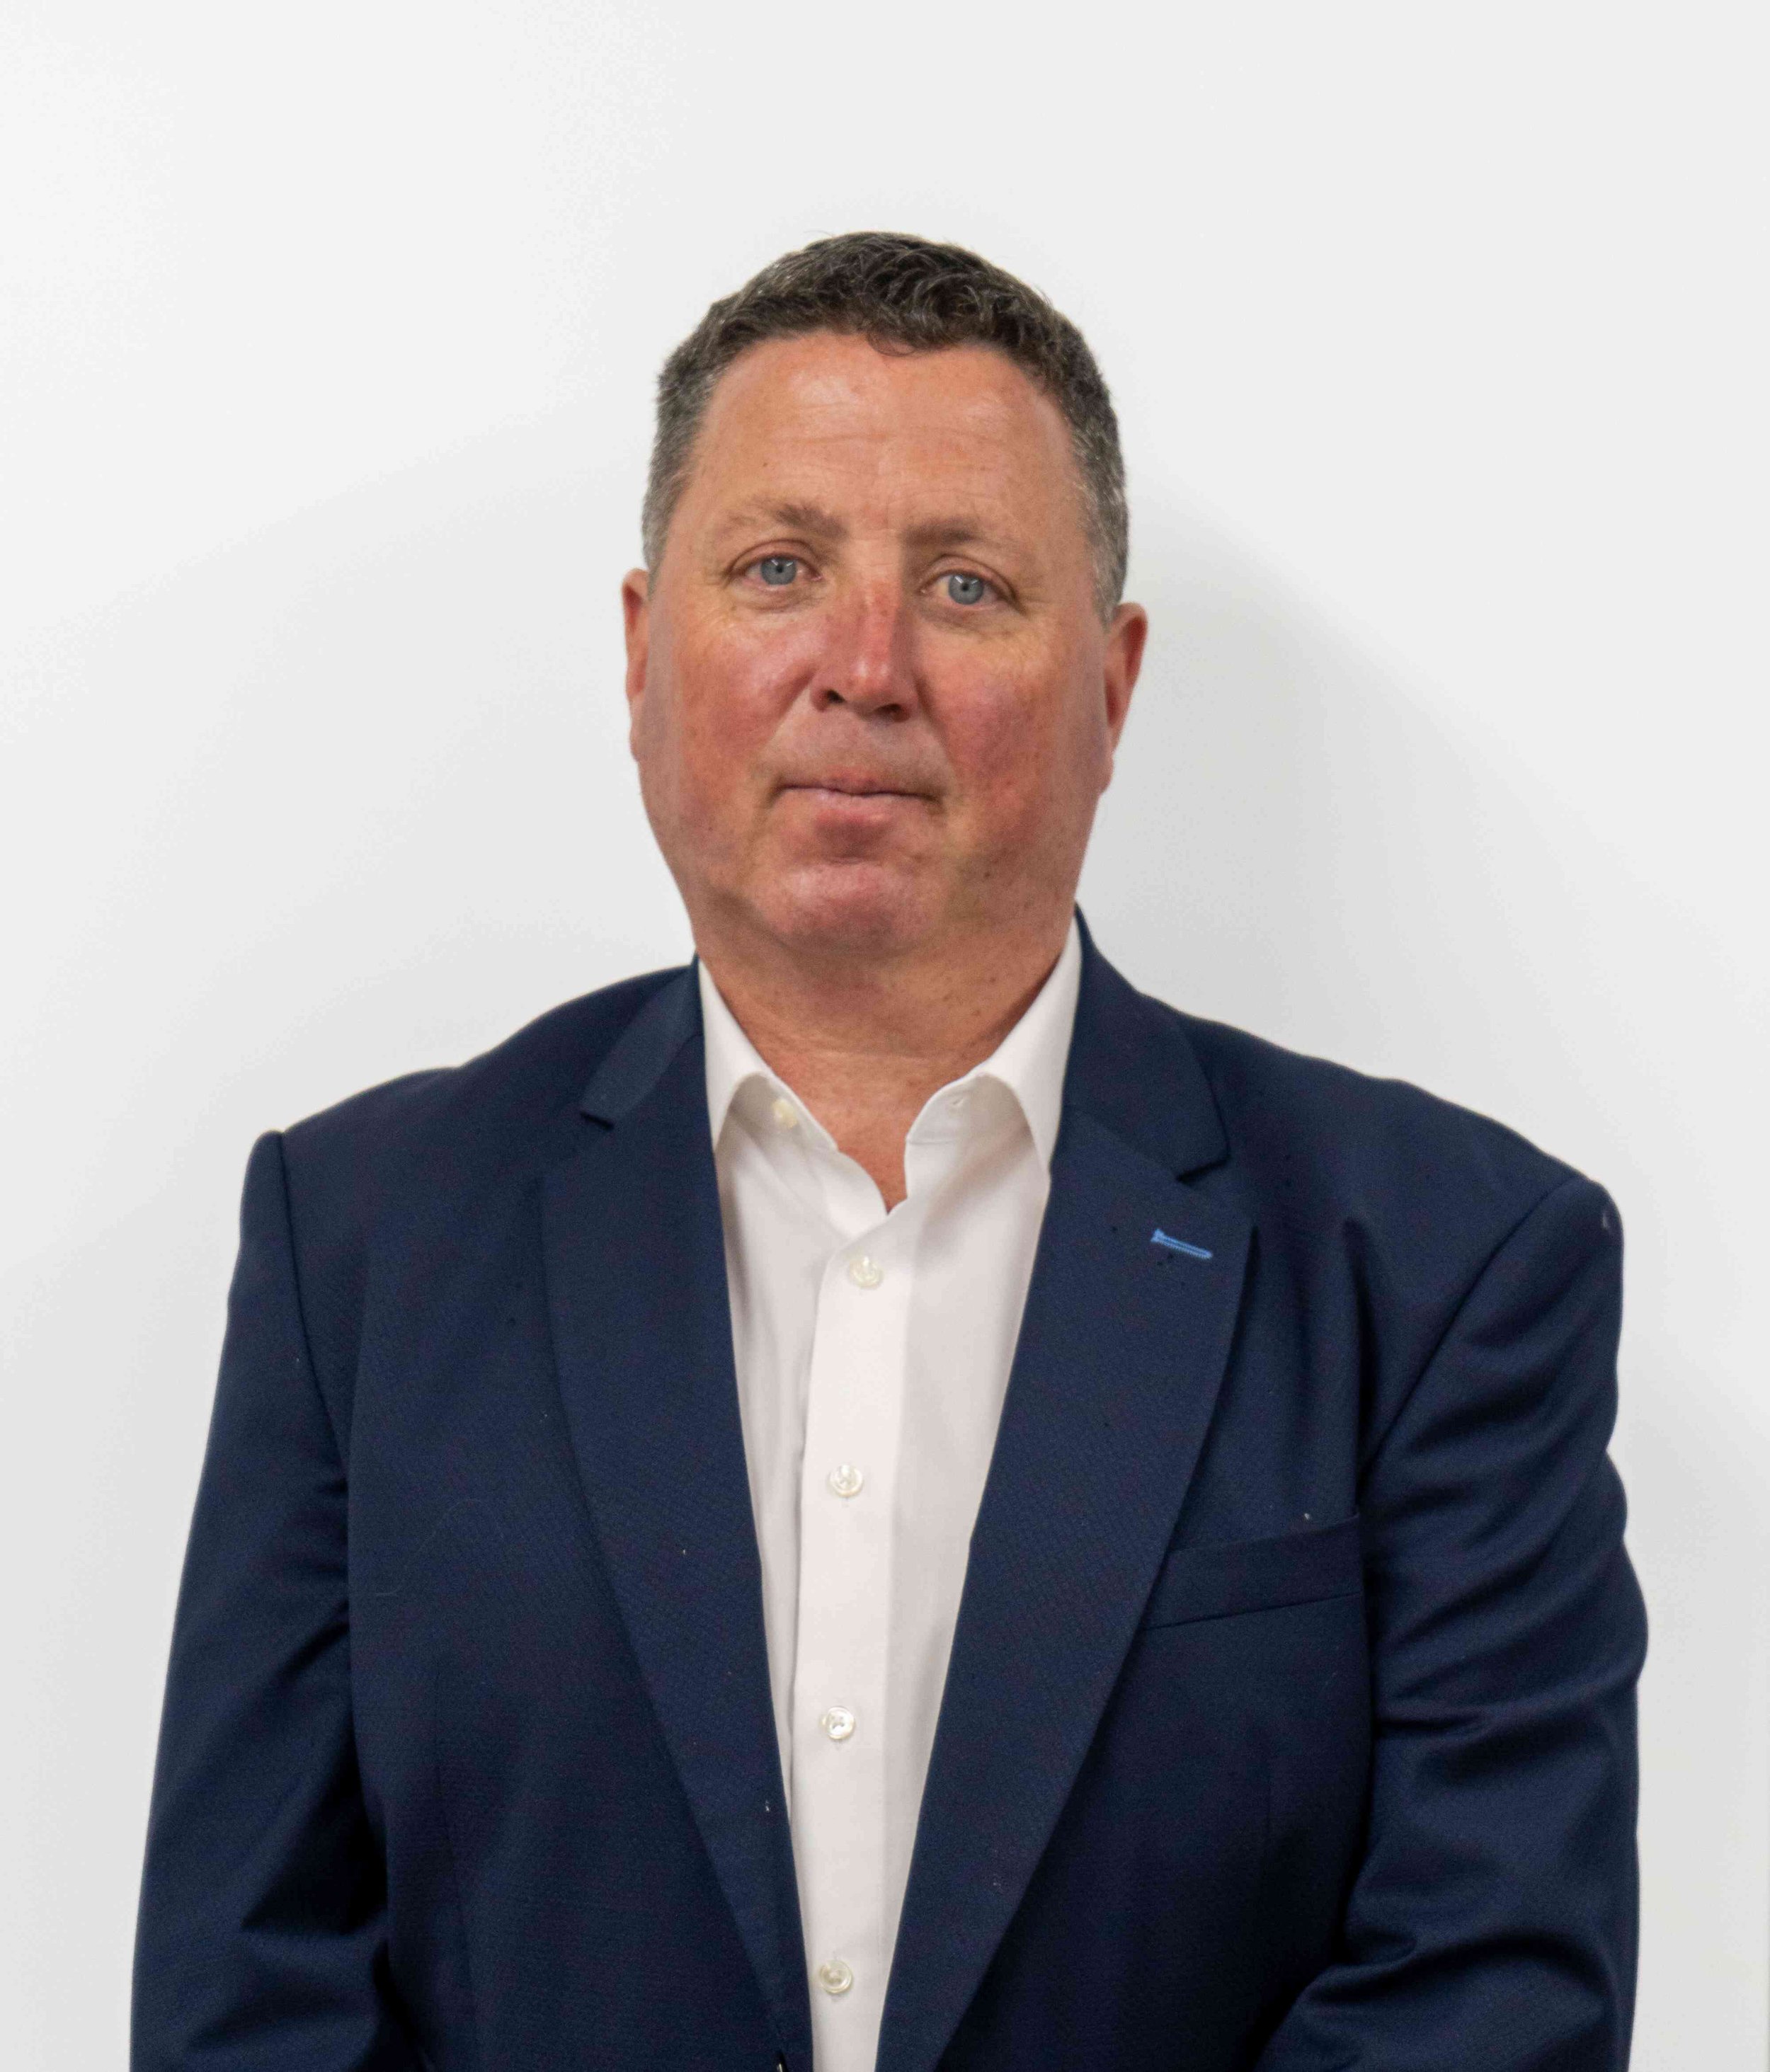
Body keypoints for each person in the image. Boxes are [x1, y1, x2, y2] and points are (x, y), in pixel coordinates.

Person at [132, 232, 1646, 2072]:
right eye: (778, 569)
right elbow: (250, 1999)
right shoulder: (362, 1244)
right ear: (638, 654)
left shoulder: (1442, 1270)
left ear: (1112, 682)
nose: (863, 666)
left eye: (965, 584)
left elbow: (1484, 1997)